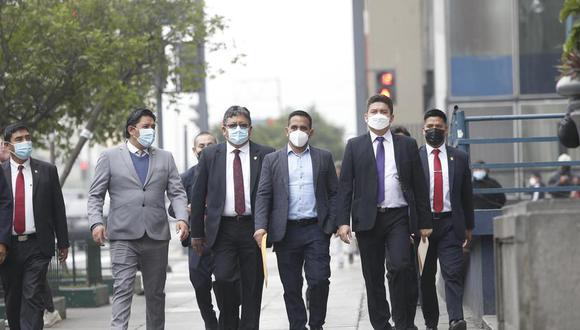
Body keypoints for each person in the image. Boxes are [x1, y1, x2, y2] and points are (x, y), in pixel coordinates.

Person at [337, 94, 432, 330]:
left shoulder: (406, 145)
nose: (379, 115)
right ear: (366, 116)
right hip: (367, 219)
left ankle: (404, 323)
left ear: (391, 116)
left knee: (401, 267)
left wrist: (424, 221)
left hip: (398, 217)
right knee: (373, 276)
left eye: (383, 111)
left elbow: (420, 186)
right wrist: (342, 222)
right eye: (374, 111)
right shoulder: (354, 146)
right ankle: (381, 323)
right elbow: (346, 186)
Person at [87, 108, 189, 330]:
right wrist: (96, 222)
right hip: (123, 235)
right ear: (132, 130)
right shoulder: (109, 157)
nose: (150, 130)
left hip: (156, 235)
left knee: (155, 293)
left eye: (153, 126)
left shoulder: (165, 157)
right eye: (146, 126)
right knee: (123, 289)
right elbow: (95, 195)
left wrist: (182, 217)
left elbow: (177, 192)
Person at [190, 106, 274, 330]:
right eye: (233, 125)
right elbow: (198, 196)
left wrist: (269, 228)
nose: (238, 129)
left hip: (253, 229)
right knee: (225, 279)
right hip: (222, 231)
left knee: (252, 287)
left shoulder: (265, 154)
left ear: (251, 129)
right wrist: (197, 233)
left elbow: (273, 194)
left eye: (243, 125)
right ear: (224, 130)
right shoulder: (210, 155)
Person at [254, 110, 338, 330]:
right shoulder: (272, 160)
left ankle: (317, 324)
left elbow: (335, 192)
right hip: (286, 232)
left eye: (303, 128)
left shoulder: (324, 157)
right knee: (291, 286)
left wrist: (338, 223)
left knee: (319, 280)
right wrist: (261, 226)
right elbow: (264, 194)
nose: (298, 131)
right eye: (294, 127)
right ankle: (297, 325)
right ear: (286, 131)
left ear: (311, 131)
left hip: (316, 230)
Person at [1, 123, 69, 330]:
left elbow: (58, 208)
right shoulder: (1, 173)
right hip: (9, 246)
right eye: (19, 139)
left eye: (27, 138)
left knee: (32, 294)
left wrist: (63, 242)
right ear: (7, 145)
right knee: (13, 299)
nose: (25, 142)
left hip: (38, 246)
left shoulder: (47, 170)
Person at [418, 109, 475, 330]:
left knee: (452, 272)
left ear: (446, 129)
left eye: (439, 127)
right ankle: (431, 323)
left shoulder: (459, 157)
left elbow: (466, 194)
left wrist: (469, 225)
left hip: (451, 224)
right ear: (423, 130)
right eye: (430, 127)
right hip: (424, 228)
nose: (434, 130)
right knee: (426, 277)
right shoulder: (415, 157)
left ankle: (455, 319)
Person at [169, 131, 221, 330]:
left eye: (210, 145)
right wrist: (187, 209)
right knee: (199, 283)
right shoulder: (187, 177)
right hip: (197, 240)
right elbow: (173, 206)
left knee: (227, 283)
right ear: (194, 150)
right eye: (201, 146)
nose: (205, 149)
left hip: (223, 238)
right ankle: (210, 320)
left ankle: (227, 319)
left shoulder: (226, 175)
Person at [390, 124, 420, 329]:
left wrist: (415, 227)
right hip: (393, 227)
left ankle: (409, 320)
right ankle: (400, 320)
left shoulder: (414, 165)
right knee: (396, 271)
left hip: (414, 226)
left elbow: (420, 197)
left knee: (411, 276)